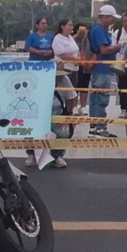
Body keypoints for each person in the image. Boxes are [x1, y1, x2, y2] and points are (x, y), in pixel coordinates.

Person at [31, 18, 79, 168]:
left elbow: (72, 97)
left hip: (56, 115)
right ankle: (31, 155)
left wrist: (67, 115)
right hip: (37, 115)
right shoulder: (37, 81)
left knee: (66, 131)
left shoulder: (64, 79)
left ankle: (57, 155)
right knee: (27, 128)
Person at [87, 5, 120, 138]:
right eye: (111, 18)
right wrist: (117, 47)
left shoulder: (97, 29)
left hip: (98, 68)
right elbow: (104, 50)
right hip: (102, 68)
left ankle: (94, 127)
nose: (113, 21)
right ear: (105, 17)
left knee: (95, 98)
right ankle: (100, 127)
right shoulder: (100, 30)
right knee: (101, 98)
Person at [73, 23, 91, 115]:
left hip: (86, 65)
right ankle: (74, 106)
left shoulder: (88, 39)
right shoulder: (72, 39)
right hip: (76, 65)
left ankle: (83, 106)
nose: (82, 32)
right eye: (80, 30)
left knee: (84, 86)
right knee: (75, 86)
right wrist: (77, 35)